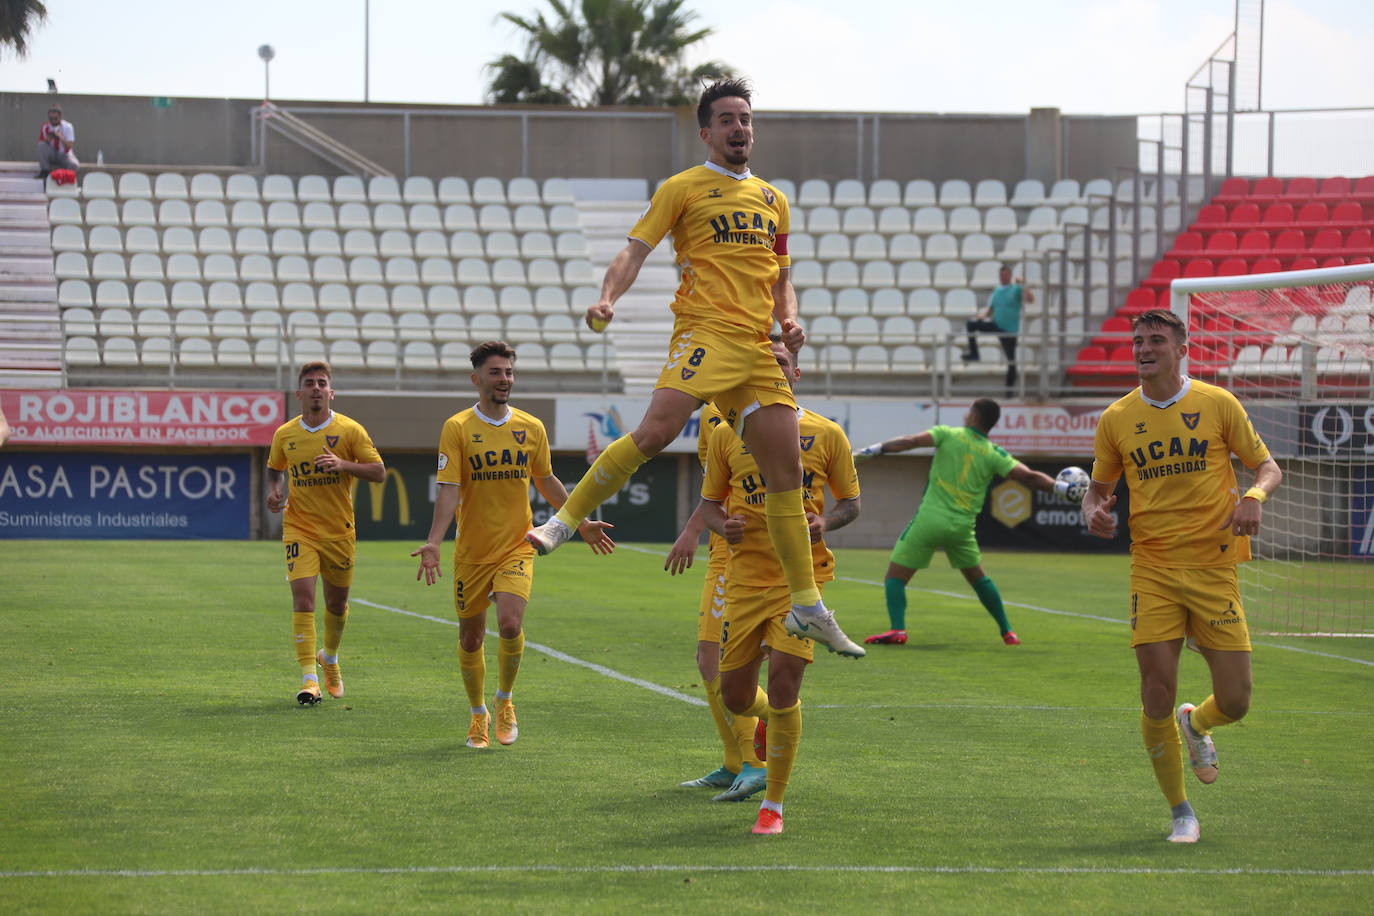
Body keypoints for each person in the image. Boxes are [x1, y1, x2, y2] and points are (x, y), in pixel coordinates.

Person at [524, 77, 865, 659]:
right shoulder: (683, 188)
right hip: (706, 333)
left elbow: (782, 277)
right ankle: (563, 520)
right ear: (707, 132)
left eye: (746, 119)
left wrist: (791, 321)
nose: (740, 128)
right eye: (728, 120)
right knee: (655, 434)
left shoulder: (773, 200)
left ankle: (807, 606)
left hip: (758, 349)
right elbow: (635, 249)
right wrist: (609, 298)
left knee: (786, 477)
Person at [1081, 308, 1281, 844]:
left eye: (1156, 340)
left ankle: (1199, 724)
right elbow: (1098, 491)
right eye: (1137, 341)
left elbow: (1267, 467)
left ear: (1181, 346)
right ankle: (1180, 812)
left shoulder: (1217, 404)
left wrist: (1254, 497)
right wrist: (1092, 511)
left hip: (1215, 567)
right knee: (1155, 693)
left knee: (1237, 701)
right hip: (1153, 568)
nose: (1144, 348)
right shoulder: (1117, 417)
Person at [412, 341, 615, 750]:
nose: (504, 379)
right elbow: (449, 490)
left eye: (508, 372)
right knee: (471, 637)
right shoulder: (457, 428)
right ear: (476, 379)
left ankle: (504, 701)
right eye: (495, 373)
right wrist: (434, 541)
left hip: (518, 545)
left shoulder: (531, 426)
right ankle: (477, 714)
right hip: (471, 552)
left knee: (509, 624)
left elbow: (546, 481)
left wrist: (582, 521)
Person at [698, 337, 861, 833]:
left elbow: (851, 503)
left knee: (786, 685)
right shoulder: (728, 436)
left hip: (800, 584)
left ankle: (773, 806)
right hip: (745, 581)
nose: (776, 368)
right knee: (737, 696)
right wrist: (720, 524)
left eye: (783, 362)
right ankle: (766, 718)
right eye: (767, 362)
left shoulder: (828, 433)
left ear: (795, 374)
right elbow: (708, 502)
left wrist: (825, 524)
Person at [853, 398, 1081, 646]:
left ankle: (897, 629)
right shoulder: (994, 453)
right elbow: (1028, 476)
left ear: (973, 417)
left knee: (895, 578)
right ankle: (1007, 631)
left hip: (930, 519)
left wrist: (873, 450)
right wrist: (1061, 488)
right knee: (978, 578)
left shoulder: (947, 434)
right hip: (962, 527)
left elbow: (910, 442)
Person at [266, 361, 386, 706]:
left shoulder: (350, 431)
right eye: (310, 383)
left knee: (337, 603)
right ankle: (309, 679)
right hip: (299, 527)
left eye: (322, 383)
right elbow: (274, 468)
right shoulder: (285, 434)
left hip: (338, 531)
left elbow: (378, 472)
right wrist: (275, 491)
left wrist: (343, 465)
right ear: (299, 393)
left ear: (331, 392)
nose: (316, 388)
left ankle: (329, 657)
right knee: (303, 598)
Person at [665, 400, 766, 793]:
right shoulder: (712, 414)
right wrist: (696, 529)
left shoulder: (764, 408)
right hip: (724, 542)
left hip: (753, 550)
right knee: (708, 660)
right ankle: (735, 761)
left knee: (725, 662)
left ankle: (757, 759)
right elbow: (716, 487)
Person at [963, 264, 1033, 394]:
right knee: (971, 324)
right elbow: (991, 309)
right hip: (996, 324)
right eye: (1001, 275)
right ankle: (974, 354)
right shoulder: (997, 290)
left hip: (1009, 329)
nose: (1002, 277)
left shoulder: (1016, 289)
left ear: (1010, 276)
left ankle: (1009, 390)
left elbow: (1030, 299)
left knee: (1011, 360)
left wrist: (1024, 285)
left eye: (1005, 275)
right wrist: (982, 316)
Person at [36, 106, 78, 180]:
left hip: (64, 154)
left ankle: (65, 178)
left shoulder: (68, 126)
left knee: (74, 164)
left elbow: (69, 146)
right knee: (41, 145)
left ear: (60, 117)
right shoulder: (45, 127)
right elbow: (41, 144)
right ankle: (45, 171)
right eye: (51, 118)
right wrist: (48, 139)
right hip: (52, 154)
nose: (53, 120)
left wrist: (61, 138)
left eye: (55, 118)